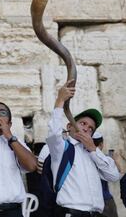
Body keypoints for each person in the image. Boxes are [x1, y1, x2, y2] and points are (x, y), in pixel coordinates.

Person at [46, 80, 120, 217]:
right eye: (82, 123)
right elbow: (53, 134)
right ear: (69, 126)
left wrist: (93, 150)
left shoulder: (93, 154)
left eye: (91, 128)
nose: (86, 128)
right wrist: (60, 100)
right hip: (72, 213)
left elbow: (113, 175)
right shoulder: (62, 148)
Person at [91, 132, 119, 217]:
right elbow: (117, 176)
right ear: (101, 144)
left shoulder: (85, 157)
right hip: (105, 200)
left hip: (91, 202)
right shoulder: (106, 158)